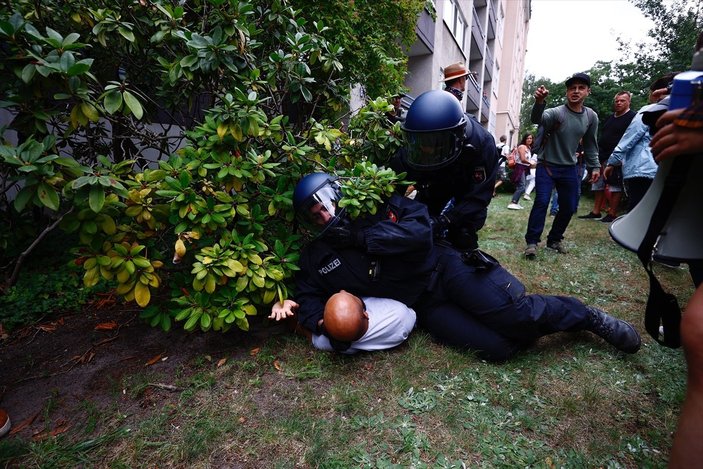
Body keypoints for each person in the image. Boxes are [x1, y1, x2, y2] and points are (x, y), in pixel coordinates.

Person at [286, 172, 641, 362]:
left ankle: (587, 317)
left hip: (443, 268)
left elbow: (420, 231)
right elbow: (308, 294)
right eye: (315, 213)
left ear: (337, 192)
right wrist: (322, 321)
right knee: (498, 350)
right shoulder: (317, 255)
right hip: (422, 304)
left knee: (517, 318)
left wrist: (362, 237)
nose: (325, 214)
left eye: (326, 203)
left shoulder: (374, 207)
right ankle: (519, 326)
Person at [391, 88, 499, 252]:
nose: (426, 150)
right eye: (422, 145)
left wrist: (446, 220)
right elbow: (396, 179)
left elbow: (478, 197)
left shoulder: (482, 145)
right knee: (420, 225)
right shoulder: (413, 143)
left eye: (433, 145)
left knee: (463, 234)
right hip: (435, 183)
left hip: (465, 186)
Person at [523, 73, 600, 259]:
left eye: (581, 88)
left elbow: (590, 144)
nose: (576, 91)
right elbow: (537, 119)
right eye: (572, 88)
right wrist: (540, 102)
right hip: (546, 166)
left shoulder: (591, 116)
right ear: (567, 92)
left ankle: (554, 239)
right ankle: (532, 242)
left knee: (569, 206)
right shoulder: (556, 112)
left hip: (569, 169)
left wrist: (595, 166)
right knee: (541, 202)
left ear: (588, 92)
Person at [603, 76, 676, 212]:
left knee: (636, 210)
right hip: (667, 168)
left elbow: (630, 137)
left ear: (657, 92)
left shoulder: (649, 110)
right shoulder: (685, 110)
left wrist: (612, 162)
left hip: (642, 169)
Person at [270, 291, 416, 354]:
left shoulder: (325, 343)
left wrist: (284, 306)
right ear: (365, 314)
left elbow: (299, 329)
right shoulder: (399, 316)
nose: (343, 289)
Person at [579, 91, 636, 222]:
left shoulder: (633, 117)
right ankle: (596, 211)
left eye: (622, 101)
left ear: (629, 102)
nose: (619, 103)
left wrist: (622, 158)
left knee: (615, 185)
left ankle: (612, 213)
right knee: (598, 184)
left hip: (618, 157)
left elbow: (632, 138)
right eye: (617, 101)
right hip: (602, 155)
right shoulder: (611, 118)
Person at [507, 133, 533, 210]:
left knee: (521, 186)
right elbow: (522, 159)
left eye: (531, 138)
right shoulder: (522, 147)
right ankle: (513, 202)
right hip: (520, 167)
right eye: (527, 138)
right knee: (522, 186)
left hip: (525, 168)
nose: (529, 140)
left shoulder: (528, 148)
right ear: (525, 139)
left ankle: (516, 203)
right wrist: (531, 163)